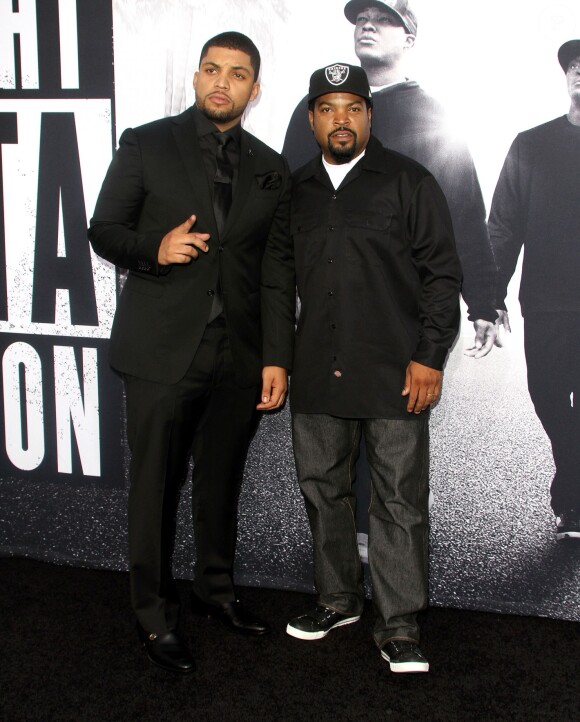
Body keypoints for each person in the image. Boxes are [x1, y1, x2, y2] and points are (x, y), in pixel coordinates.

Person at [88, 31, 295, 673]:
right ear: (197, 76)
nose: (221, 82)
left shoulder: (269, 165)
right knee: (154, 487)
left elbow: (275, 271)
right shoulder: (147, 142)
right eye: (212, 69)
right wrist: (154, 249)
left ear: (253, 89)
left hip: (238, 354)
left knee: (220, 482)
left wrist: (275, 357)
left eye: (237, 74)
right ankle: (153, 615)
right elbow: (104, 229)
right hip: (160, 350)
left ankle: (214, 591)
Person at [286, 63, 461, 673]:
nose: (341, 118)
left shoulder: (410, 182)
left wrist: (430, 357)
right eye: (328, 108)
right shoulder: (296, 191)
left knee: (398, 500)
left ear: (369, 114)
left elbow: (442, 276)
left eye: (353, 107)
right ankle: (337, 600)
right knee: (323, 491)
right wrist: (277, 361)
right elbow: (278, 284)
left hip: (395, 372)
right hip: (314, 371)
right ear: (312, 119)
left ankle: (400, 624)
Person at [283, 0, 498, 352]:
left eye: (383, 20)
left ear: (409, 40)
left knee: (395, 405)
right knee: (318, 406)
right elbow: (285, 202)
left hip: (402, 308)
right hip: (324, 303)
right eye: (362, 19)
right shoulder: (316, 108)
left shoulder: (433, 119)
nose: (368, 25)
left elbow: (465, 214)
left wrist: (483, 303)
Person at [487, 39, 580, 541]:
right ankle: (574, 472)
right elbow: (503, 224)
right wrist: (490, 293)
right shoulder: (532, 144)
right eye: (575, 65)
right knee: (545, 392)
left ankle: (573, 500)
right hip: (545, 299)